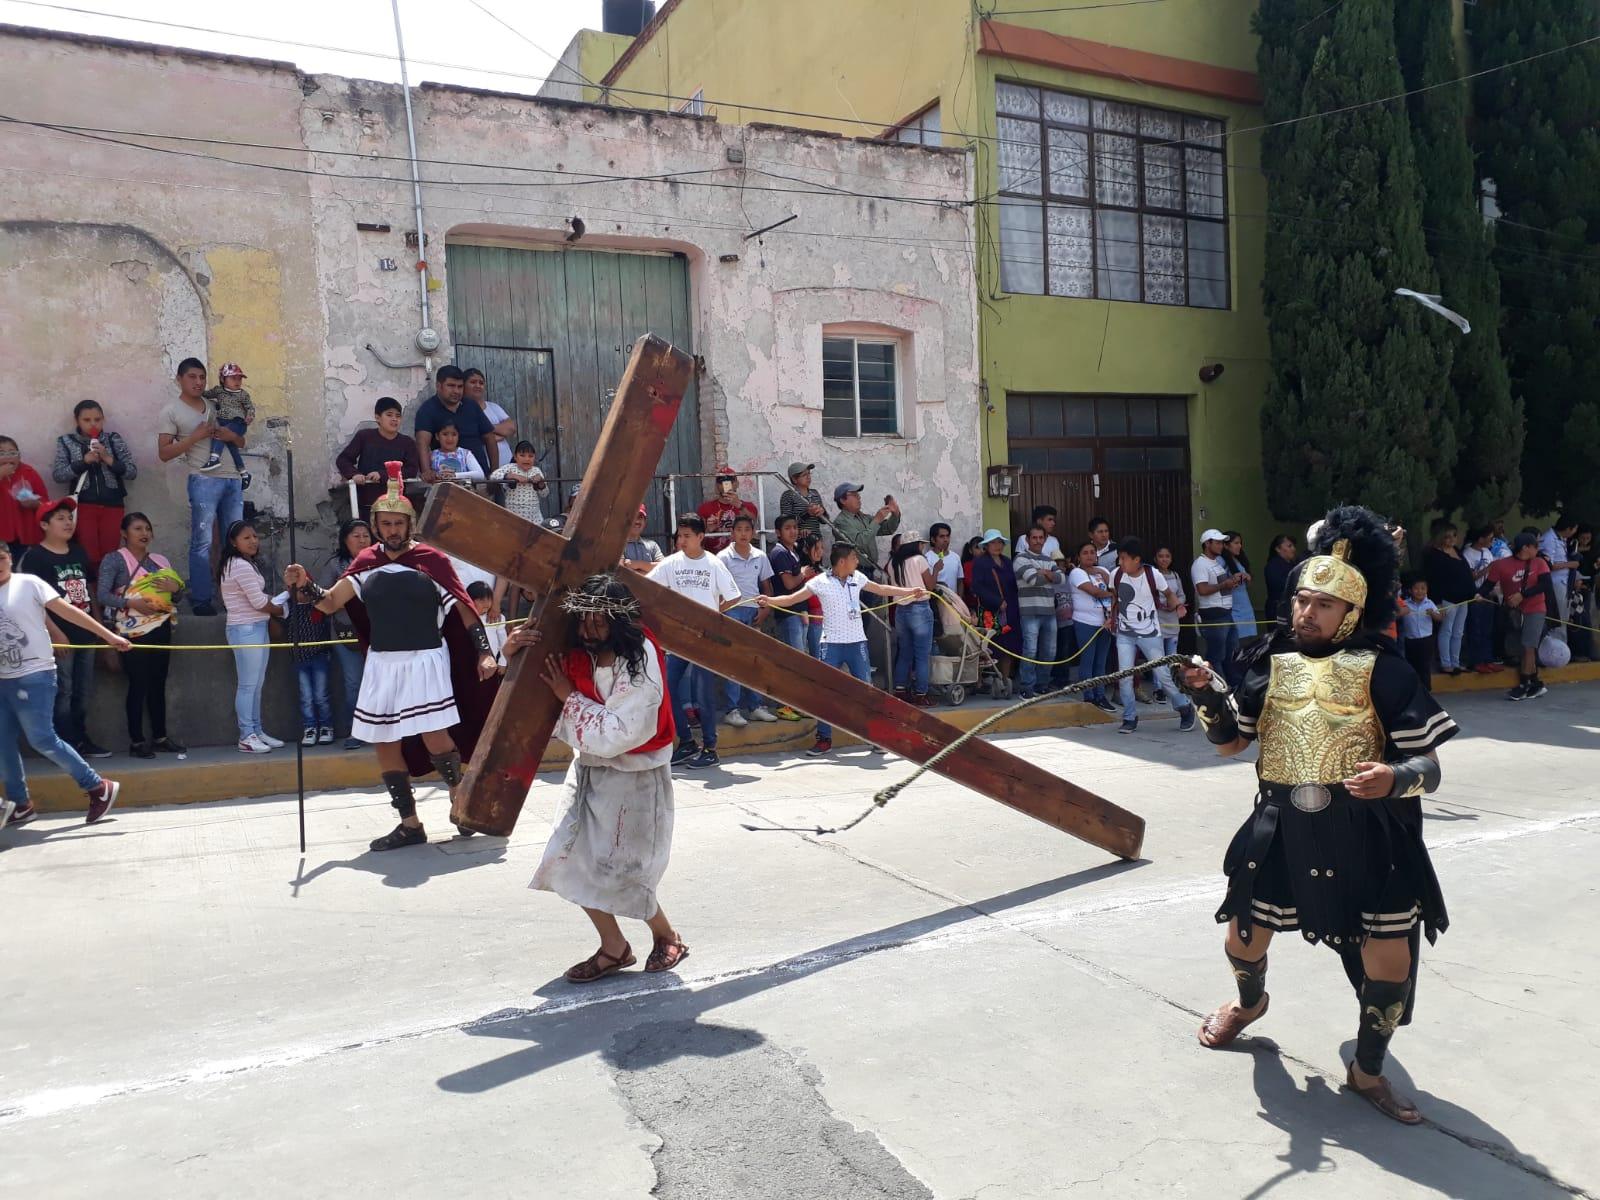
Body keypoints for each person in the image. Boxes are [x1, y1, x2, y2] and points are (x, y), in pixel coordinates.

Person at [1179, 506, 1459, 1126]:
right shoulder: (1268, 665)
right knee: (1242, 938)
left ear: (1351, 614)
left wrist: (1394, 778)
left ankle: (1367, 1072)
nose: (1307, 612)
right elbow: (1231, 743)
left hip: (1370, 836)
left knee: (1389, 962)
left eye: (1323, 605)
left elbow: (1430, 767)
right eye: (1303, 599)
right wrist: (1204, 695)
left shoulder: (1386, 671)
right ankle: (1249, 1005)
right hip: (1280, 827)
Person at [285, 462, 499, 850]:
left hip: (425, 660)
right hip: (383, 663)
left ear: (410, 524)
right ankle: (410, 823)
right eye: (385, 524)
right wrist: (307, 585)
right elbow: (332, 602)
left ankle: (459, 797)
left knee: (436, 737)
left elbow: (466, 610)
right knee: (384, 740)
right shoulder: (367, 562)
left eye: (398, 523)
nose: (392, 531)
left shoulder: (432, 561)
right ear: (376, 525)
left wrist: (484, 653)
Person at [504, 574, 688, 982]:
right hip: (588, 769)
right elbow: (528, 692)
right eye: (584, 621)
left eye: (599, 622)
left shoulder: (639, 655)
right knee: (568, 860)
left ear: (618, 622)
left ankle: (666, 935)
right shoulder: (574, 650)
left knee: (622, 869)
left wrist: (569, 697)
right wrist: (511, 652)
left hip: (636, 775)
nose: (589, 630)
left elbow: (621, 733)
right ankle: (615, 947)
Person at [0, 540, 127, 830]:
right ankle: (20, 805)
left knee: (42, 738)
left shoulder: (29, 583)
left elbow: (69, 611)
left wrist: (108, 636)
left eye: (2, 557)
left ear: (9, 557)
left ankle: (97, 787)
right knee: (3, 744)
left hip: (36, 675)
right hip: (3, 680)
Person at [759, 543, 926, 756]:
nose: (857, 562)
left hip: (857, 644)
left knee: (867, 693)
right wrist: (769, 600)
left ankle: (876, 739)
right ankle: (824, 739)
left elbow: (882, 589)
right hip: (831, 645)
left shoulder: (858, 578)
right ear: (842, 562)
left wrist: (910, 592)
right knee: (824, 693)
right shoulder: (820, 581)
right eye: (854, 558)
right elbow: (792, 598)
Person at [19, 498, 109, 759]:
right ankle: (63, 744)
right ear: (44, 525)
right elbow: (32, 602)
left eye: (69, 517)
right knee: (63, 692)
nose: (68, 522)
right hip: (58, 638)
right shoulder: (35, 557)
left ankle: (80, 738)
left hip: (86, 635)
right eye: (60, 518)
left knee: (83, 691)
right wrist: (56, 634)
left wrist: (100, 629)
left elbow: (89, 591)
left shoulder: (79, 552)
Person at [652, 513, 742, 769]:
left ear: (701, 537)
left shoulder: (713, 564)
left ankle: (710, 748)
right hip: (678, 638)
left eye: (687, 536)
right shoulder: (670, 564)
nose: (682, 540)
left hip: (705, 639)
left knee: (704, 695)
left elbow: (733, 596)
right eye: (680, 536)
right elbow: (649, 587)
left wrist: (714, 615)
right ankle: (687, 742)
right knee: (667, 688)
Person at [157, 357, 244, 617]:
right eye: (192, 377)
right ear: (180, 380)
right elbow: (163, 453)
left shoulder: (214, 404)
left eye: (202, 377)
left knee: (235, 541)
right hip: (203, 479)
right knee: (202, 542)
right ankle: (202, 598)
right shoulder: (171, 411)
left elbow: (240, 442)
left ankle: (234, 597)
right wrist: (194, 437)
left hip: (233, 479)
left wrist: (232, 437)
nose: (198, 382)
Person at [97, 512, 186, 758]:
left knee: (158, 682)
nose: (144, 533)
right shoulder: (114, 560)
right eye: (137, 529)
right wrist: (132, 603)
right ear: (124, 533)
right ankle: (137, 741)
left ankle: (160, 736)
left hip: (162, 627)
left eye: (147, 528)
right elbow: (103, 595)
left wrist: (175, 588)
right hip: (132, 630)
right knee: (138, 683)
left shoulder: (160, 560)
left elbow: (178, 596)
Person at [1108, 538, 1197, 734]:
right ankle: (1129, 717)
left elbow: (1169, 594)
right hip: (1124, 634)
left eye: (1124, 558)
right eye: (1119, 558)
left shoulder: (1153, 574)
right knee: (1124, 676)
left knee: (1162, 674)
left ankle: (1184, 707)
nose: (1120, 562)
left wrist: (1179, 606)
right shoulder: (1115, 575)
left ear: (1137, 559)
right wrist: (1111, 617)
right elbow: (1116, 599)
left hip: (1150, 633)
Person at [218, 520, 284, 754]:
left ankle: (257, 730)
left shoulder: (244, 564)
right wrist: (282, 607)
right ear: (234, 543)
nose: (254, 541)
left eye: (255, 536)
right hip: (245, 629)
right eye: (246, 538)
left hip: (256, 626)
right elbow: (258, 602)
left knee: (256, 685)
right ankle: (246, 735)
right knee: (248, 685)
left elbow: (257, 599)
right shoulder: (240, 565)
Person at [53, 400, 137, 568]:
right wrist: (83, 462)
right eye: (87, 420)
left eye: (97, 420)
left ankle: (107, 590)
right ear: (77, 420)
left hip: (113, 505)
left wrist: (108, 459)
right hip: (84, 505)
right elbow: (58, 475)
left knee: (110, 553)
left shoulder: (113, 439)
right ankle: (91, 592)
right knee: (87, 552)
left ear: (103, 420)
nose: (93, 424)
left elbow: (132, 472)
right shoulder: (66, 441)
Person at [716, 513, 779, 725]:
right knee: (734, 661)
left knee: (755, 660)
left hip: (754, 612)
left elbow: (767, 587)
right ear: (732, 533)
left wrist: (765, 609)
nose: (743, 534)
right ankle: (731, 709)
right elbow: (717, 589)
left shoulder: (760, 556)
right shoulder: (723, 557)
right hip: (732, 611)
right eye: (739, 530)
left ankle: (756, 706)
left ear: (752, 533)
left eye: (747, 530)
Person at [323, 518, 372, 749]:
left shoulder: (378, 562)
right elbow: (324, 597)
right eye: (356, 536)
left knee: (379, 682)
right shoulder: (336, 565)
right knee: (353, 682)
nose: (362, 540)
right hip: (346, 633)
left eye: (366, 536)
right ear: (345, 539)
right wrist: (349, 601)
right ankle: (356, 730)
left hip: (378, 633)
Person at [1489, 533, 1553, 701]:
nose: (1537, 549)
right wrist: (1479, 595)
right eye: (1535, 546)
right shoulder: (1501, 565)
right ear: (1525, 547)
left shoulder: (1540, 562)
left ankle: (1524, 684)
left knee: (1528, 645)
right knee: (1520, 646)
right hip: (1514, 611)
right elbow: (1488, 584)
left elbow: (1545, 585)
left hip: (1535, 607)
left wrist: (1522, 595)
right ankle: (1535, 683)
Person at [335, 397, 422, 515]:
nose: (394, 419)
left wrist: (382, 475)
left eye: (398, 416)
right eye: (389, 415)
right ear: (377, 417)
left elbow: (411, 470)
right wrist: (354, 474)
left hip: (395, 504)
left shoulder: (407, 443)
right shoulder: (365, 437)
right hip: (367, 503)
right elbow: (343, 459)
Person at [414, 365, 496, 480]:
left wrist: (494, 474)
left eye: (460, 386)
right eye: (451, 386)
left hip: (479, 479)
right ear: (438, 386)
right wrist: (427, 472)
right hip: (445, 483)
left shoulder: (471, 405)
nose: (456, 391)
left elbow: (490, 437)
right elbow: (422, 443)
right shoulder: (427, 410)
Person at [284, 565, 334, 747]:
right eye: (293, 589)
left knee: (321, 695)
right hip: (299, 659)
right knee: (306, 696)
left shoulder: (318, 606)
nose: (299, 593)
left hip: (319, 656)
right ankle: (310, 728)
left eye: (302, 588)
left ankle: (326, 727)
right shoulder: (288, 606)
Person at [1192, 528, 1247, 686]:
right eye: (1217, 543)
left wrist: (1232, 582)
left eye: (1222, 542)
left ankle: (1232, 685)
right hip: (1214, 615)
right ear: (1207, 544)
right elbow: (1202, 590)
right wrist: (1225, 584)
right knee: (1217, 655)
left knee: (1231, 653)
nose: (1221, 546)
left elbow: (1220, 587)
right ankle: (1220, 687)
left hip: (1226, 614)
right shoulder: (1200, 564)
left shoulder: (1216, 563)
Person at [1012, 525, 1061, 699]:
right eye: (1034, 538)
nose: (1038, 541)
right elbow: (1032, 579)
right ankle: (1026, 687)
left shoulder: (1049, 559)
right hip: (1029, 612)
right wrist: (1049, 575)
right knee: (1030, 651)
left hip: (1049, 612)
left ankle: (1042, 685)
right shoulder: (1020, 559)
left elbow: (1061, 578)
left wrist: (1044, 573)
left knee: (1049, 652)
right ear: (1027, 540)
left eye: (1041, 538)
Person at [889, 530, 936, 706]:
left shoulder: (893, 563)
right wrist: (936, 569)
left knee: (905, 653)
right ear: (916, 544)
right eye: (921, 544)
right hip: (920, 609)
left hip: (901, 610)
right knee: (922, 655)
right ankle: (920, 694)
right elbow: (930, 586)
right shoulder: (920, 560)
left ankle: (900, 690)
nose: (922, 547)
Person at [1066, 540, 1115, 712]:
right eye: (1085, 552)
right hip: (1085, 622)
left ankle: (1100, 695)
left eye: (1092, 552)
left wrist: (1113, 595)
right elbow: (1094, 591)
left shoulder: (1103, 571)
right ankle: (1089, 696)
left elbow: (1112, 586)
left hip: (1105, 621)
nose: (1089, 555)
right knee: (1088, 660)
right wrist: (1114, 595)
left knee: (1101, 662)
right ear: (1078, 556)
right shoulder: (1076, 573)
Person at [1423, 522, 1475, 677]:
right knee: (1447, 630)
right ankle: (1446, 664)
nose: (1452, 539)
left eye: (1454, 535)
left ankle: (1456, 662)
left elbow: (1466, 574)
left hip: (1463, 598)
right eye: (1447, 536)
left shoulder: (1457, 551)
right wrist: (1437, 601)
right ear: (1440, 538)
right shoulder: (1435, 555)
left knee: (1458, 632)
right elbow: (1434, 580)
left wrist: (1473, 593)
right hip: (1448, 599)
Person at [200, 363, 255, 489]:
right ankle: (244, 474)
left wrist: (250, 416)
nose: (237, 381)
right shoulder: (218, 391)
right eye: (233, 378)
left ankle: (214, 458)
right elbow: (206, 394)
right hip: (222, 421)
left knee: (221, 433)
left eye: (239, 378)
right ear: (223, 379)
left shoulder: (243, 394)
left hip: (237, 423)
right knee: (232, 449)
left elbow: (250, 407)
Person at [832, 483, 900, 579]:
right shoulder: (841, 522)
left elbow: (888, 529)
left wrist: (895, 513)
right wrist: (876, 520)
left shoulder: (863, 517)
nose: (859, 497)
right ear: (843, 500)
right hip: (855, 572)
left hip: (869, 570)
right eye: (854, 495)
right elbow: (859, 542)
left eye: (858, 495)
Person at [0, 435, 48, 560]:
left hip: (26, 535)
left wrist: (35, 504)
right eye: (2, 453)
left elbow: (46, 504)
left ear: (19, 456)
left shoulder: (28, 472)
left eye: (12, 453)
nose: (8, 457)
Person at [1460, 524, 1500, 674]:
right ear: (1480, 538)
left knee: (1487, 629)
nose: (1492, 540)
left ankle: (1487, 658)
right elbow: (1472, 576)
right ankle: (1476, 660)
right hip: (1475, 594)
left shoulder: (1487, 552)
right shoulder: (1468, 553)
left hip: (1488, 594)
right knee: (1475, 628)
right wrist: (1489, 568)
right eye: (1490, 537)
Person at [1152, 545, 1188, 702]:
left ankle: (1172, 686)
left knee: (1172, 657)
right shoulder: (1152, 575)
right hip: (1158, 619)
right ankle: (1159, 688)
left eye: (1167, 556)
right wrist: (1162, 604)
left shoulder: (1175, 575)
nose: (1164, 559)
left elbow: (1181, 595)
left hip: (1173, 621)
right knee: (1158, 657)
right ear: (1155, 559)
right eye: (1161, 556)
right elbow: (1150, 596)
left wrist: (1176, 604)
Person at [464, 368, 516, 471]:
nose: (478, 385)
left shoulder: (493, 407)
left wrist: (486, 429)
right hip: (482, 468)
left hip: (507, 466)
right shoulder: (462, 410)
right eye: (473, 382)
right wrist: (499, 434)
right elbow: (473, 438)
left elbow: (511, 427)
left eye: (481, 383)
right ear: (463, 385)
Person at [695, 467, 757, 554]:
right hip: (714, 556)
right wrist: (709, 531)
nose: (726, 484)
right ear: (716, 485)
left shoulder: (749, 507)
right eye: (721, 481)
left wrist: (740, 506)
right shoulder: (705, 508)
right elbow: (697, 539)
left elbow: (753, 523)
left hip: (741, 556)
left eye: (730, 480)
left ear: (737, 483)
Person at [1538, 514, 1580, 639]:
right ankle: (1557, 649)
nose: (1574, 533)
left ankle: (1562, 648)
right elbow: (1546, 564)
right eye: (1573, 530)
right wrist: (1570, 564)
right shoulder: (1549, 539)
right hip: (1555, 583)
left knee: (1564, 618)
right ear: (1568, 528)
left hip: (1564, 582)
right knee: (1558, 620)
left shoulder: (1561, 539)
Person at [1398, 575, 1442, 692]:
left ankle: (1426, 690)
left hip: (1426, 641)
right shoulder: (1405, 604)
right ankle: (1414, 690)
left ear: (1427, 590)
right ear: (1410, 590)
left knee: (1424, 666)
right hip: (1410, 640)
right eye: (1416, 588)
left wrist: (1433, 614)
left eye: (1423, 588)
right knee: (1412, 666)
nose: (1420, 591)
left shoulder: (1429, 603)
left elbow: (1439, 618)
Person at [489, 440, 547, 524]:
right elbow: (493, 476)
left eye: (531, 456)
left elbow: (544, 494)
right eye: (522, 455)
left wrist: (541, 483)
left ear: (534, 458)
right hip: (513, 515)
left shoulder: (536, 471)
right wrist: (511, 476)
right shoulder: (510, 468)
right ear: (515, 457)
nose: (527, 459)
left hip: (534, 517)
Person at [795, 532, 827, 659]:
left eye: (822, 548)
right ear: (806, 549)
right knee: (818, 659)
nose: (820, 552)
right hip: (814, 620)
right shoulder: (804, 571)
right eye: (816, 548)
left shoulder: (819, 570)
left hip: (825, 620)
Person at [778, 462, 828, 539]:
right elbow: (786, 523)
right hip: (798, 540)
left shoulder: (815, 493)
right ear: (794, 479)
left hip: (816, 540)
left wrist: (822, 512)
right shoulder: (788, 495)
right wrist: (807, 514)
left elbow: (825, 521)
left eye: (809, 474)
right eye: (804, 475)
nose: (808, 477)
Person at [1222, 531, 1257, 641]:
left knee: (1249, 641)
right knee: (1236, 642)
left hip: (1245, 604)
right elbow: (1224, 583)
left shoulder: (1238, 559)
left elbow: (1246, 583)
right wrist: (1240, 578)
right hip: (1233, 605)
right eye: (1236, 543)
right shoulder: (1221, 561)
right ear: (1226, 545)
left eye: (1240, 543)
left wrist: (1247, 577)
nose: (1240, 546)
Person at [1263, 534, 1298, 624]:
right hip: (1277, 608)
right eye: (1289, 546)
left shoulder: (1294, 565)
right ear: (1278, 549)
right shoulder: (1273, 565)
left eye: (1293, 546)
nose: (1293, 549)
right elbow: (1279, 585)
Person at [622, 506, 664, 573]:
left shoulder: (652, 545)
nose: (637, 521)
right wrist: (650, 570)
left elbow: (664, 568)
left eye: (640, 517)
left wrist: (638, 564)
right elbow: (621, 573)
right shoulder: (618, 546)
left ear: (645, 522)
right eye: (633, 517)